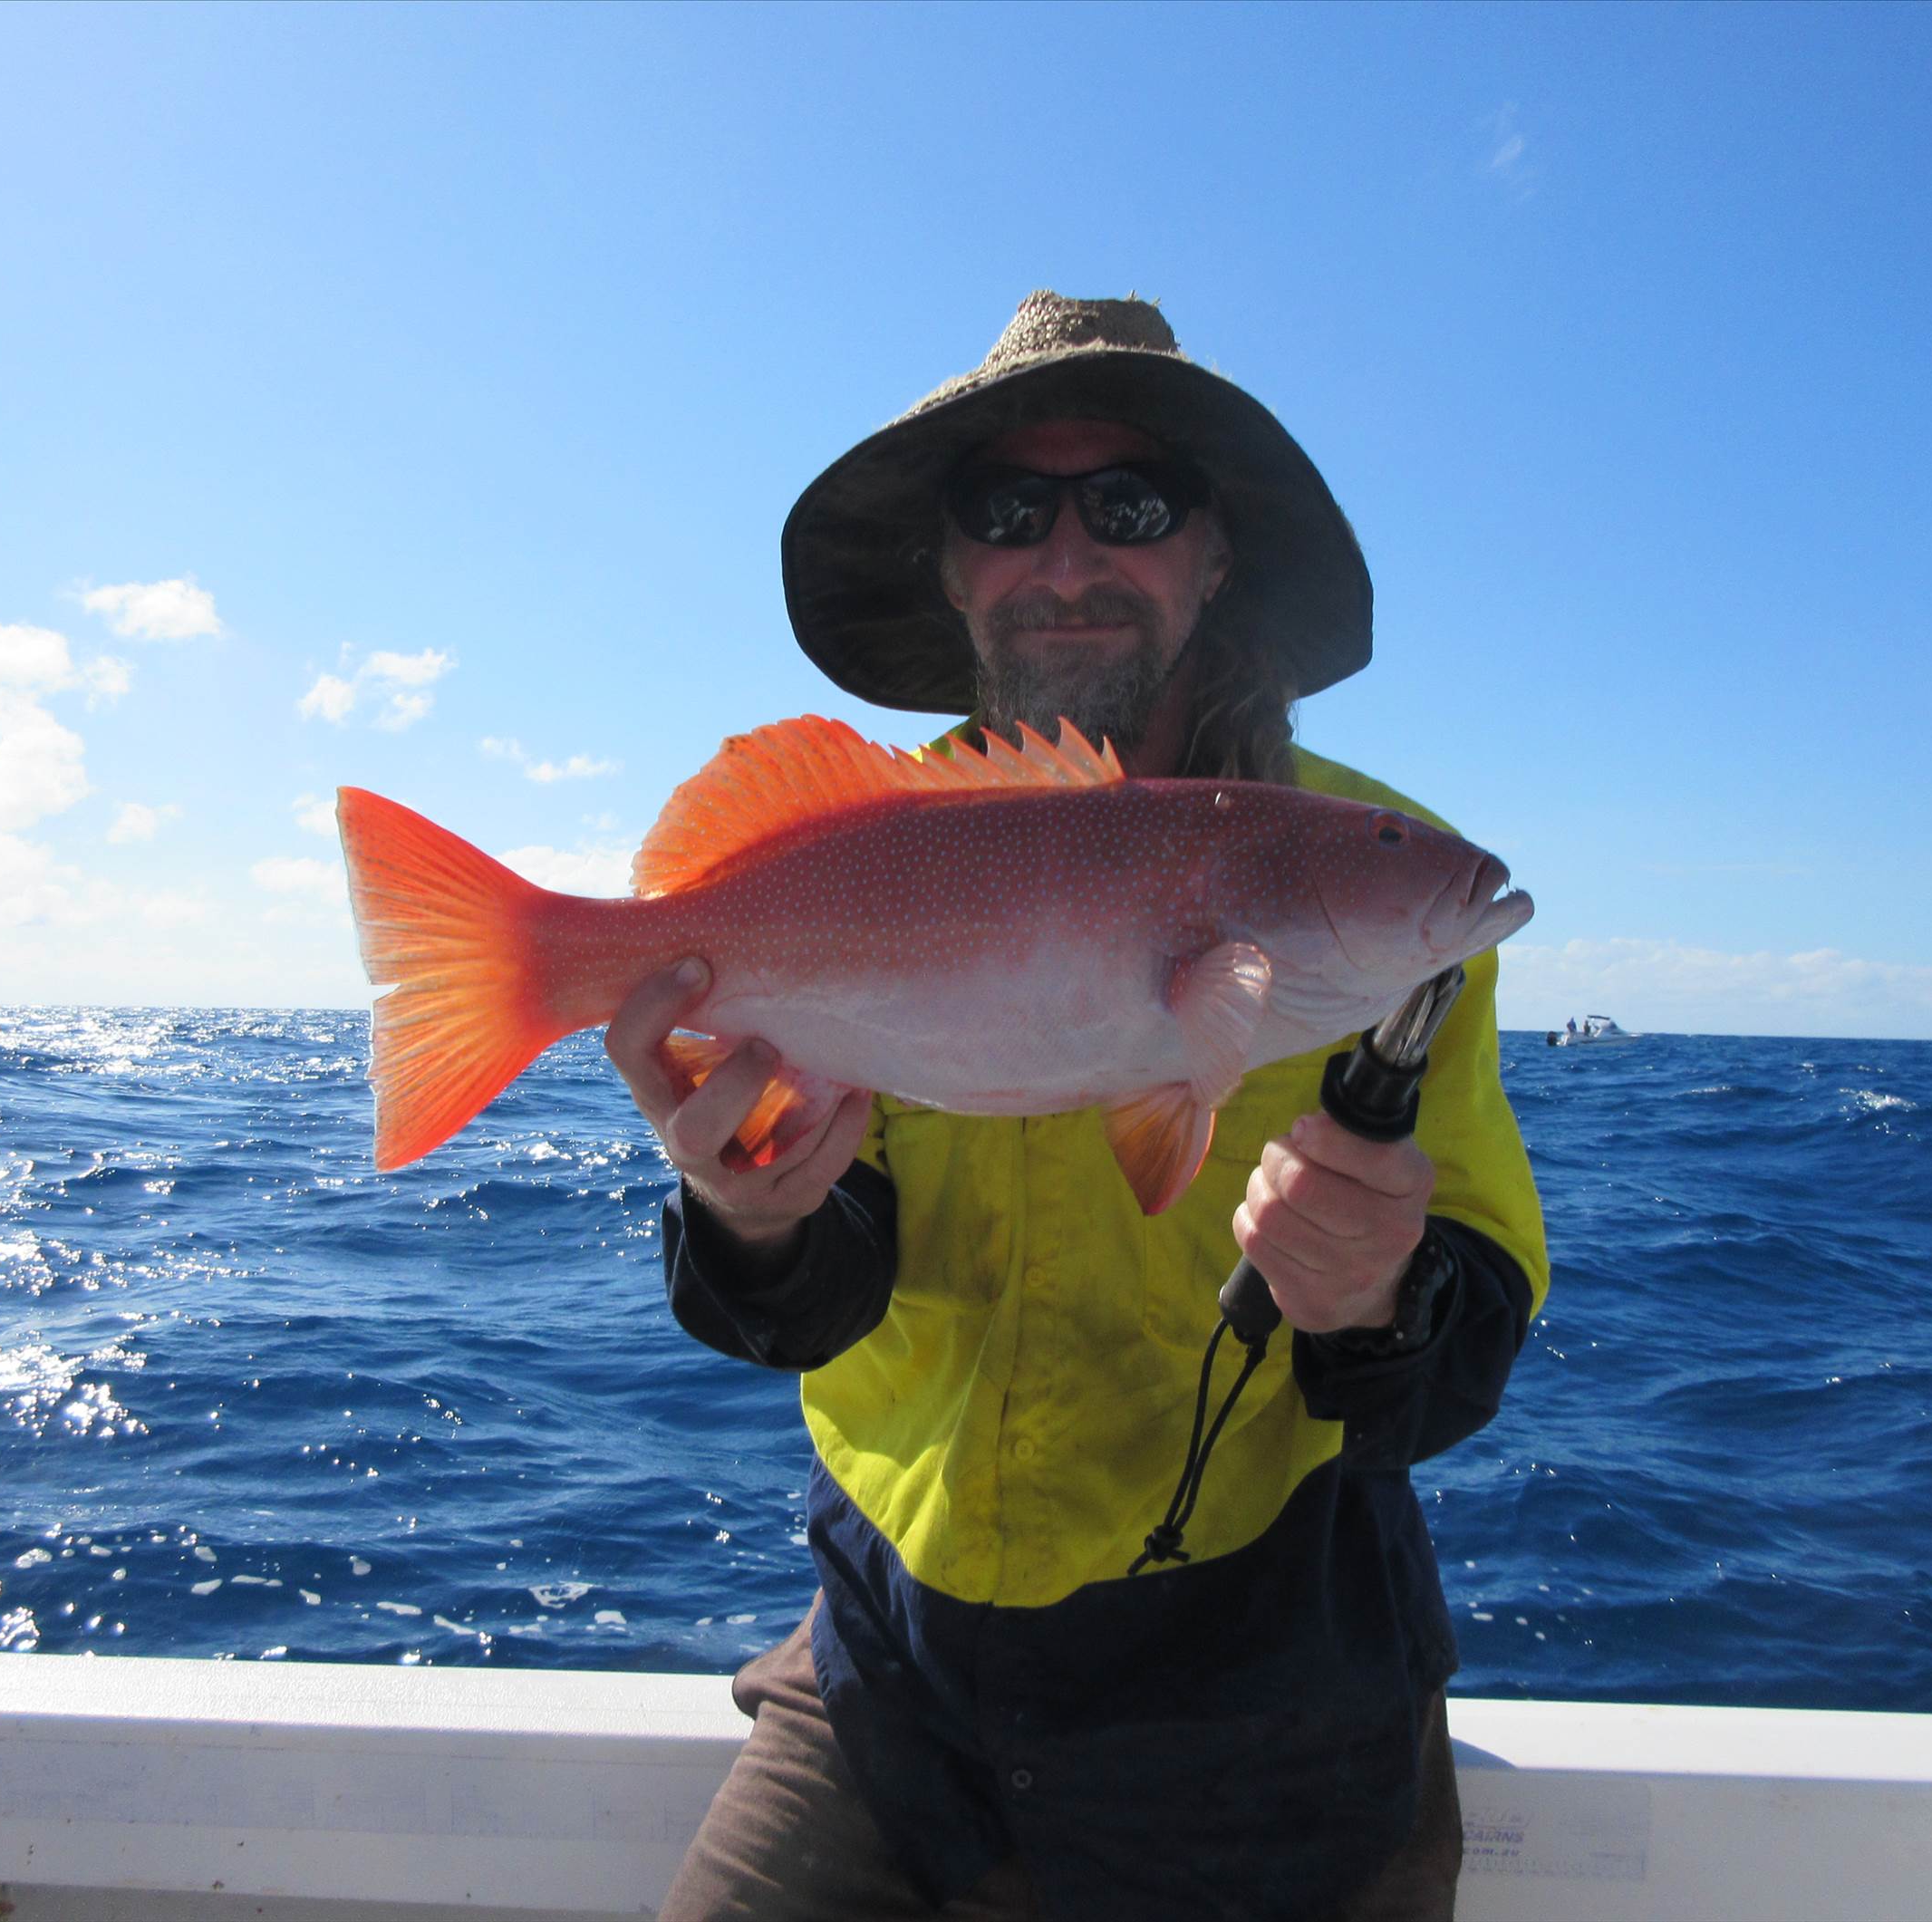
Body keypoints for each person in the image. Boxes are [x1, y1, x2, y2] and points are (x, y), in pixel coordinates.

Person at [606, 293, 1548, 1921]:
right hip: (891, 1680)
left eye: (1129, 505)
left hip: (1273, 1721)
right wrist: (748, 1216)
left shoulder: (1390, 876)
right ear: (953, 566)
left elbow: (1457, 1364)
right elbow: (813, 1305)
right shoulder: (866, 846)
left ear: (1213, 555)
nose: (1066, 555)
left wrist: (1381, 1298)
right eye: (1005, 510)